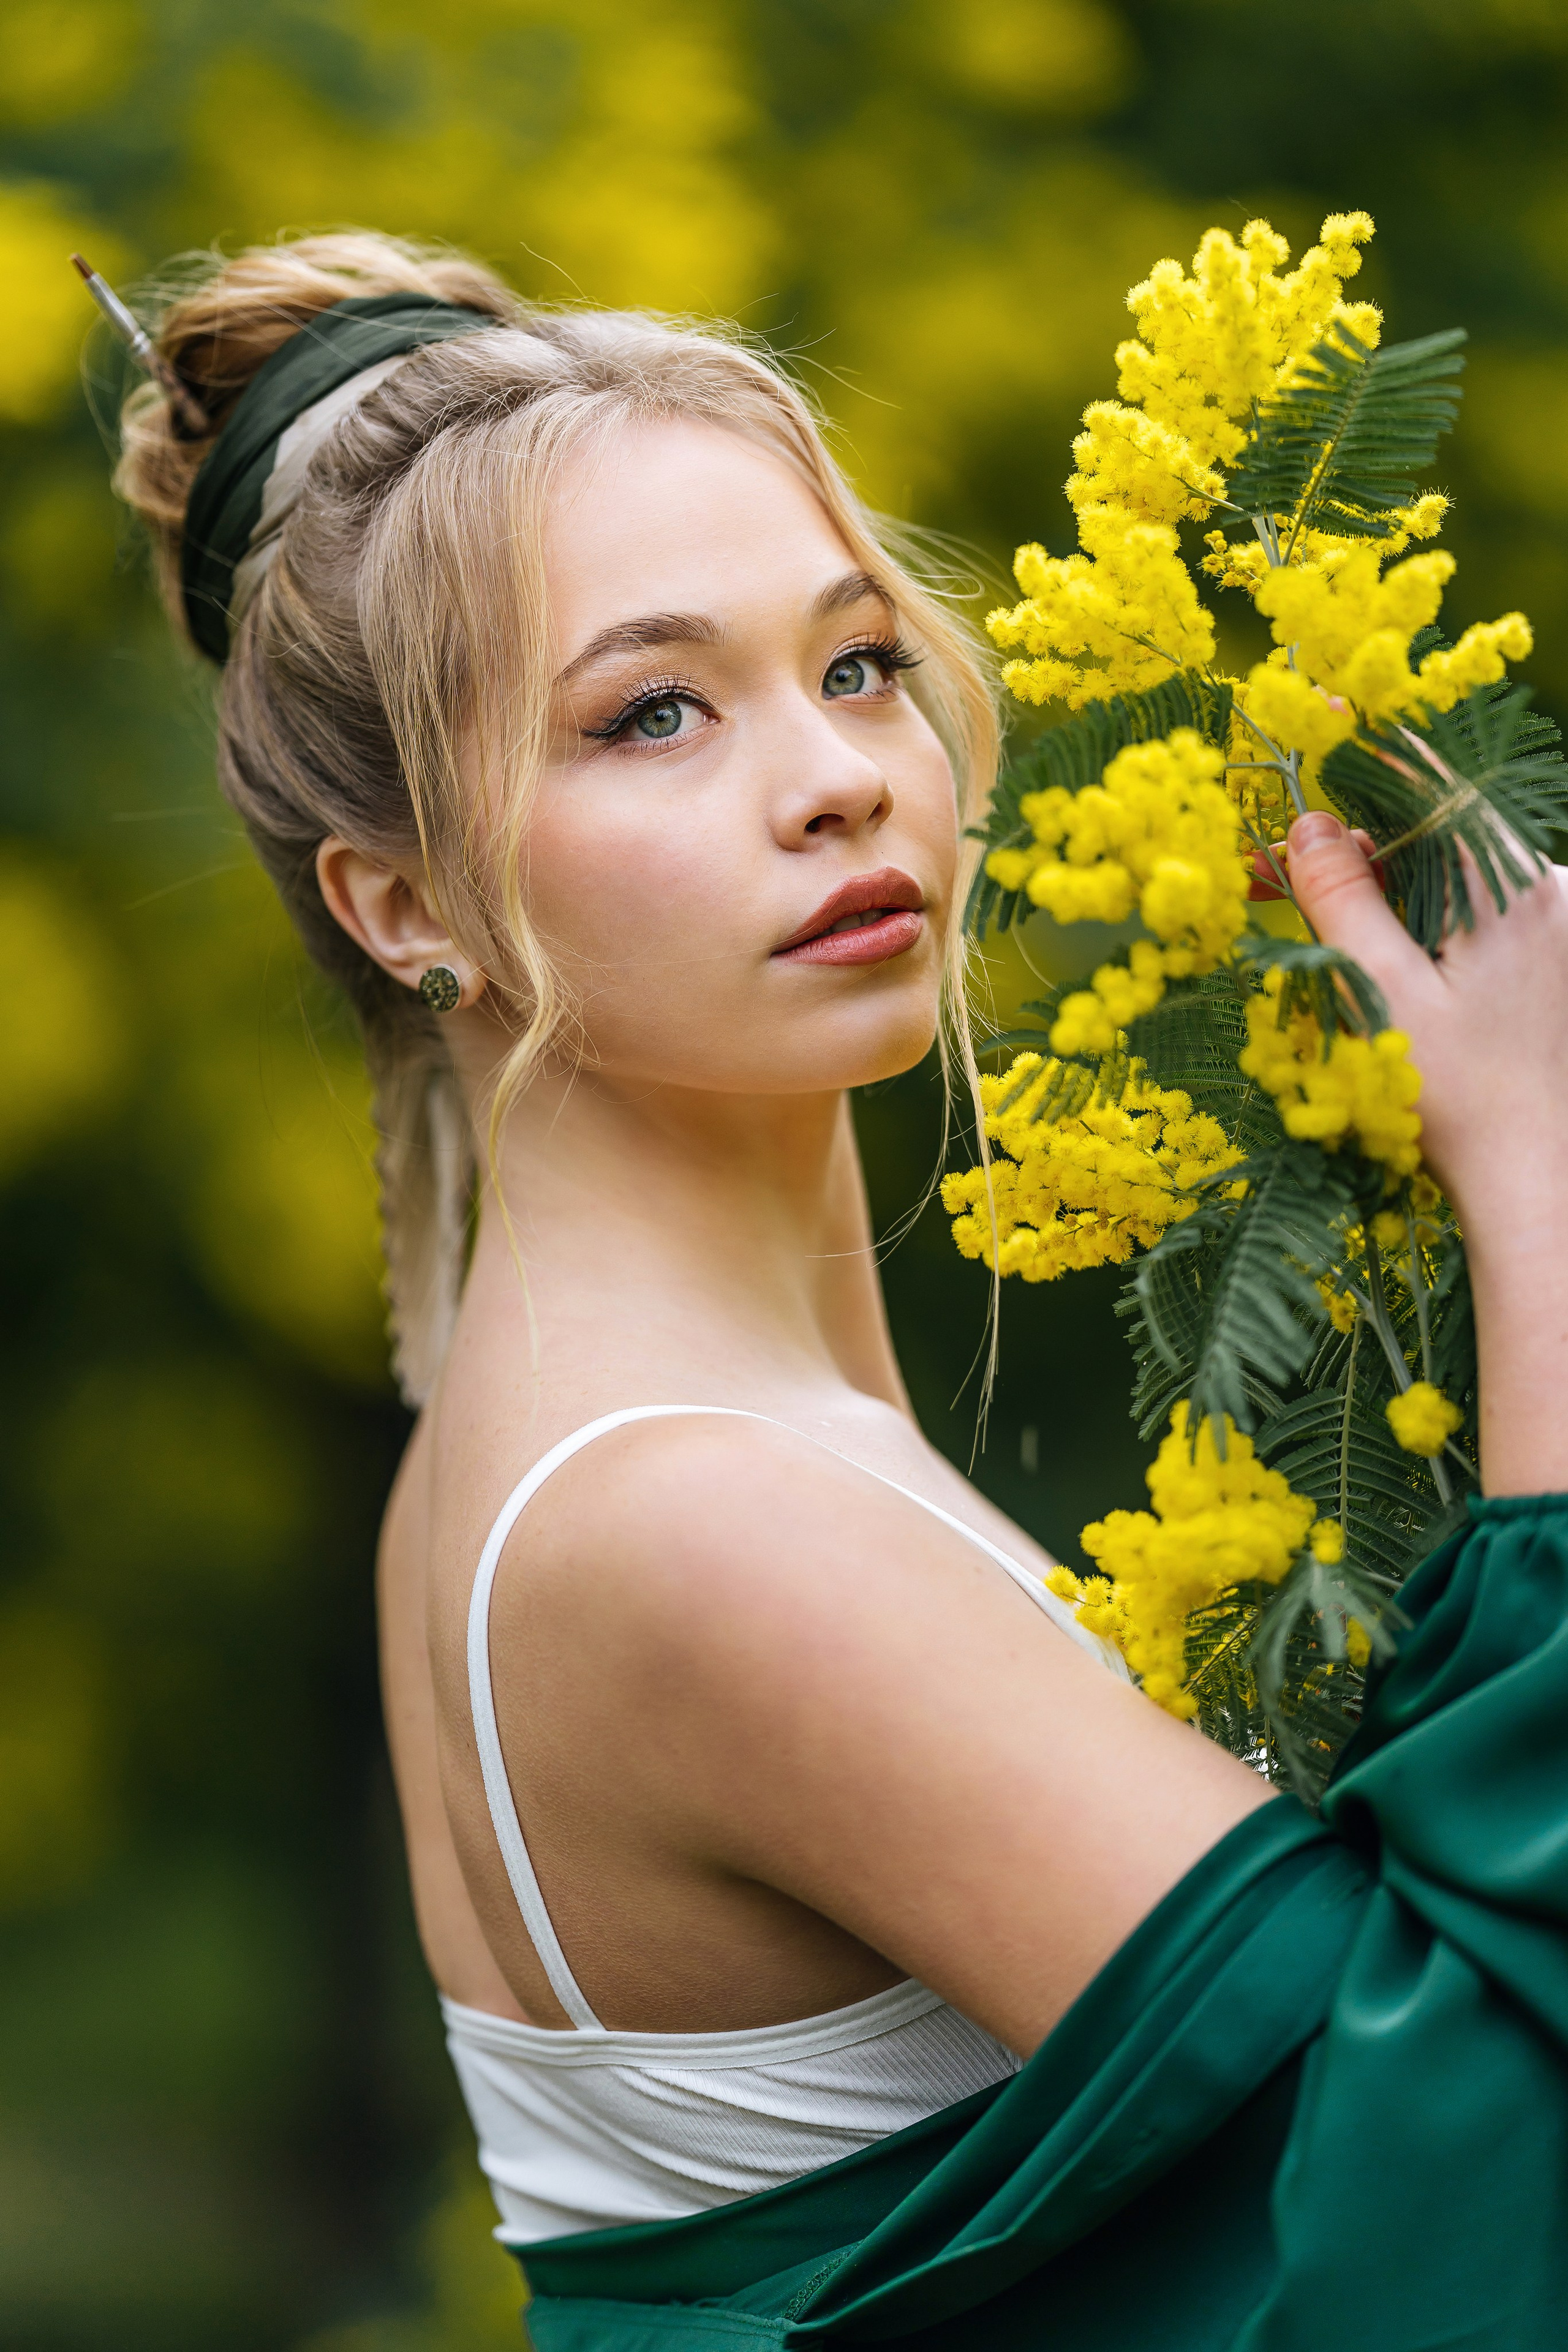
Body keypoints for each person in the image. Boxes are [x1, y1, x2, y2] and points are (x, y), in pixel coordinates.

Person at [112, 232, 1568, 2348]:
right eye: (657, 712)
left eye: (861, 663)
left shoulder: (591, 1451)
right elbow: (1486, 2185)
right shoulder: (691, 1518)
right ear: (406, 899)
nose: (839, 778)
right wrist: (1536, 1172)